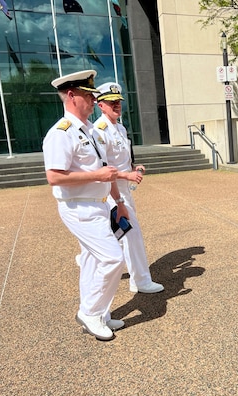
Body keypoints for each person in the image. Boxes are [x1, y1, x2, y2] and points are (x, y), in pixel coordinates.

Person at [43, 70, 127, 341]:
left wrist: (118, 201)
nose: (93, 99)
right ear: (71, 95)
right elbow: (54, 176)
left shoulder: (90, 130)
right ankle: (90, 312)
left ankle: (99, 313)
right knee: (113, 258)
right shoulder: (61, 133)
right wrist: (97, 177)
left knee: (92, 261)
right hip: (79, 208)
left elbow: (107, 169)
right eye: (88, 95)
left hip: (100, 204)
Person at [94, 82, 164, 294]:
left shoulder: (120, 128)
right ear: (100, 105)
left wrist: (133, 167)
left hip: (124, 187)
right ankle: (141, 281)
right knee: (132, 233)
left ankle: (90, 254)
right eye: (111, 102)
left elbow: (122, 157)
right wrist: (126, 174)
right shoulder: (99, 131)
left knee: (118, 232)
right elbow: (103, 168)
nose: (116, 105)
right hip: (111, 190)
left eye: (118, 102)